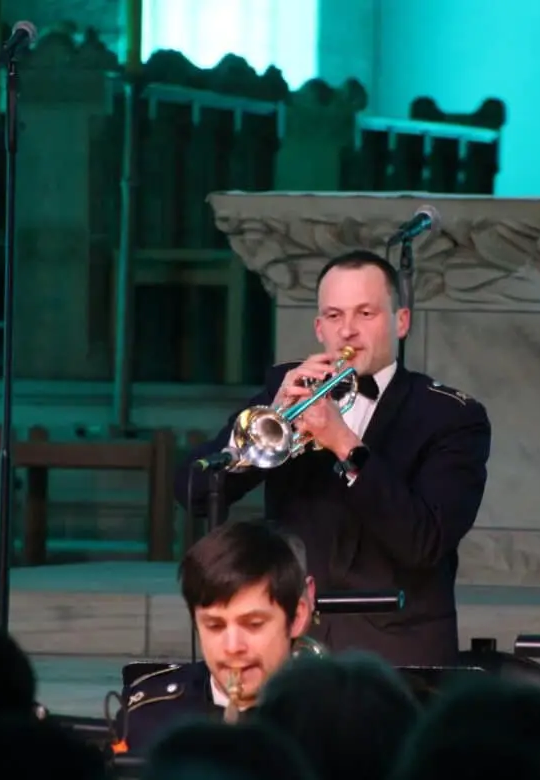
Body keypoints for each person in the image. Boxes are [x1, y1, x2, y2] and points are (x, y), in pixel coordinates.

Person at [174, 249, 492, 667]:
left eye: (366, 314)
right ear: (319, 328)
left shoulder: (449, 415)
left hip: (397, 650)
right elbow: (194, 490)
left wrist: (344, 443)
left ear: (401, 322)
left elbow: (424, 542)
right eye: (334, 315)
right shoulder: (288, 388)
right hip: (290, 646)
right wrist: (267, 418)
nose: (348, 331)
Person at [116, 519, 314, 755]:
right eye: (215, 626)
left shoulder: (336, 721)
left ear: (297, 618)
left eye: (253, 624)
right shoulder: (149, 717)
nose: (233, 647)